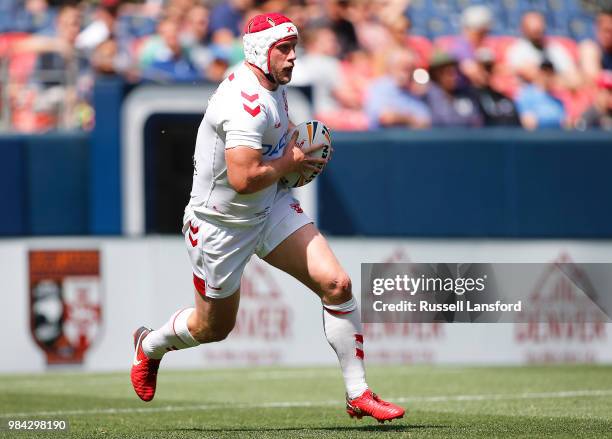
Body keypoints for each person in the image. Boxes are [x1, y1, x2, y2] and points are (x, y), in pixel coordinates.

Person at [130, 12, 405, 423]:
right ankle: (149, 345)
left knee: (337, 283)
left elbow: (276, 141)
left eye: (294, 48)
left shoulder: (271, 82)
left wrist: (298, 152)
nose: (293, 57)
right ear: (260, 51)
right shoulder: (244, 105)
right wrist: (292, 161)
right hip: (220, 225)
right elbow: (243, 178)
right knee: (212, 328)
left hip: (269, 205)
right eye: (285, 49)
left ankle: (358, 393)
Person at [506, 11, 580, 88]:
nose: (537, 32)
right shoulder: (518, 49)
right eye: (533, 30)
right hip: (531, 93)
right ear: (523, 29)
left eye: (539, 29)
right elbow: (532, 75)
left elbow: (574, 77)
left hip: (560, 91)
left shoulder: (554, 48)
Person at [364, 48, 431, 129]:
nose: (408, 73)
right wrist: (410, 119)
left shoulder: (414, 92)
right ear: (392, 68)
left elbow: (425, 122)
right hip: (383, 140)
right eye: (404, 68)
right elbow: (385, 118)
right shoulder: (379, 87)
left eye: (411, 69)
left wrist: (400, 117)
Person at [424, 51, 483, 127]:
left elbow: (476, 120)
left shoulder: (466, 94)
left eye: (455, 72)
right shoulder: (427, 95)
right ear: (436, 74)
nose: (454, 77)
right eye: (448, 73)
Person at [514, 60, 566, 130]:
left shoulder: (557, 98)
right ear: (539, 73)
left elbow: (565, 124)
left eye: (550, 73)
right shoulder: (526, 94)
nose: (547, 76)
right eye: (545, 72)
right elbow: (529, 123)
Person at [579, 10, 612, 84]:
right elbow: (593, 78)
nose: (608, 35)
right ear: (597, 29)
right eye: (606, 30)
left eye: (611, 31)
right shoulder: (589, 48)